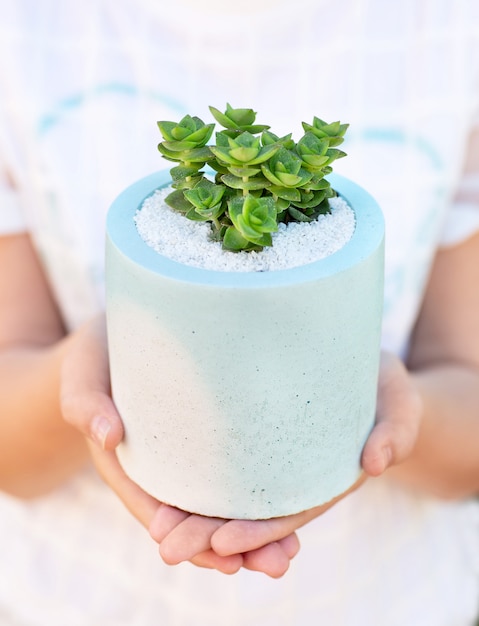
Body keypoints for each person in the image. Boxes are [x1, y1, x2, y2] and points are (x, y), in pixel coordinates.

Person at [1, 0, 479, 624]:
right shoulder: (24, 29)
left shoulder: (449, 28)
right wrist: (88, 374)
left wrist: (396, 415)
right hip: (83, 597)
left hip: (387, 598)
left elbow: (467, 414)